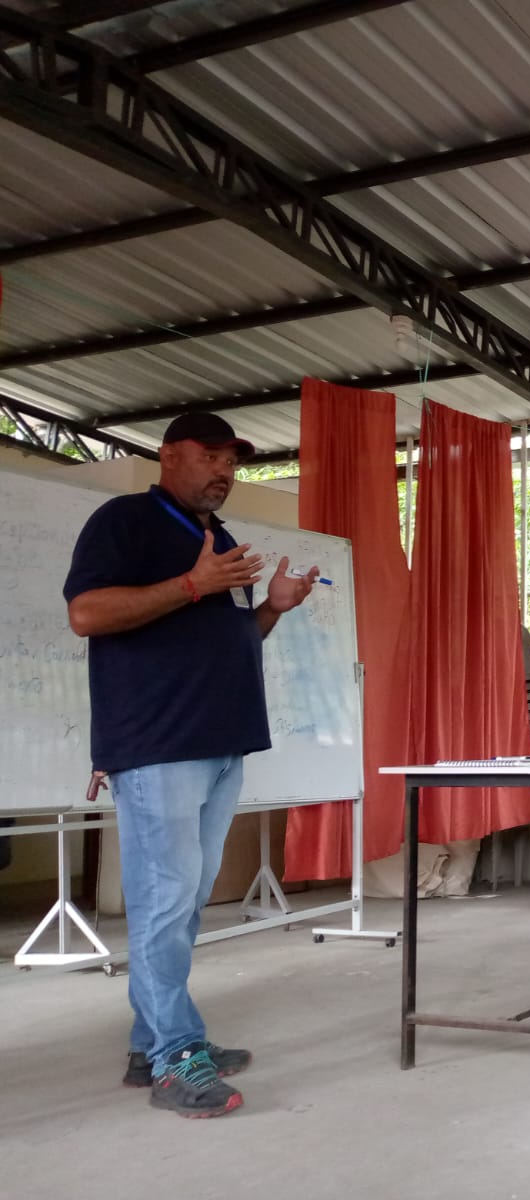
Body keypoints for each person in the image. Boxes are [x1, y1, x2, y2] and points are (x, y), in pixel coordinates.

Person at [63, 412, 322, 1118]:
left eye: (231, 461)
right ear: (169, 455)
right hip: (158, 745)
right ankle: (177, 1057)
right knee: (163, 903)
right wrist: (190, 584)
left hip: (220, 744)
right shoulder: (125, 522)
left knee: (182, 902)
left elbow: (231, 637)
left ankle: (149, 1044)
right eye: (209, 456)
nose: (223, 471)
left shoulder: (221, 541)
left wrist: (273, 609)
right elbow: (86, 614)